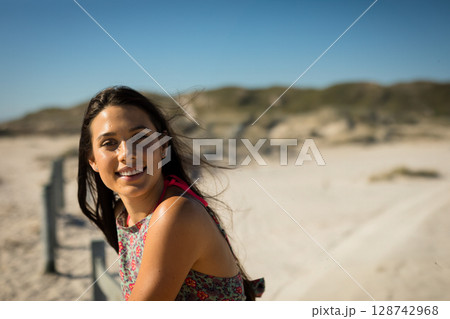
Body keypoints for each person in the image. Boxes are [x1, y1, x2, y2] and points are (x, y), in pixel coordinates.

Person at [77, 86, 265, 301]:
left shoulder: (175, 213)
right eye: (109, 143)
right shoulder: (122, 213)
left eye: (140, 138)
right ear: (92, 159)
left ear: (163, 147)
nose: (127, 155)